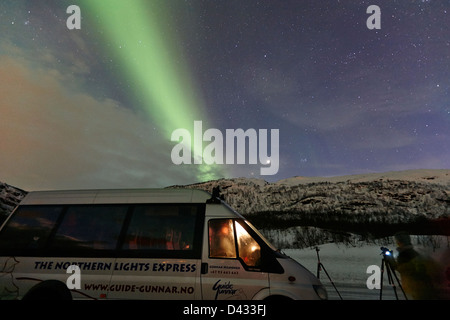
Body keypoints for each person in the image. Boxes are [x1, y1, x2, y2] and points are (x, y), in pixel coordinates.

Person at [391, 232, 440, 300]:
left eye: (397, 241)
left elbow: (402, 269)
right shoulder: (411, 252)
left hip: (417, 288)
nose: (397, 243)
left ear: (401, 242)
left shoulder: (406, 254)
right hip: (420, 287)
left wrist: (391, 261)